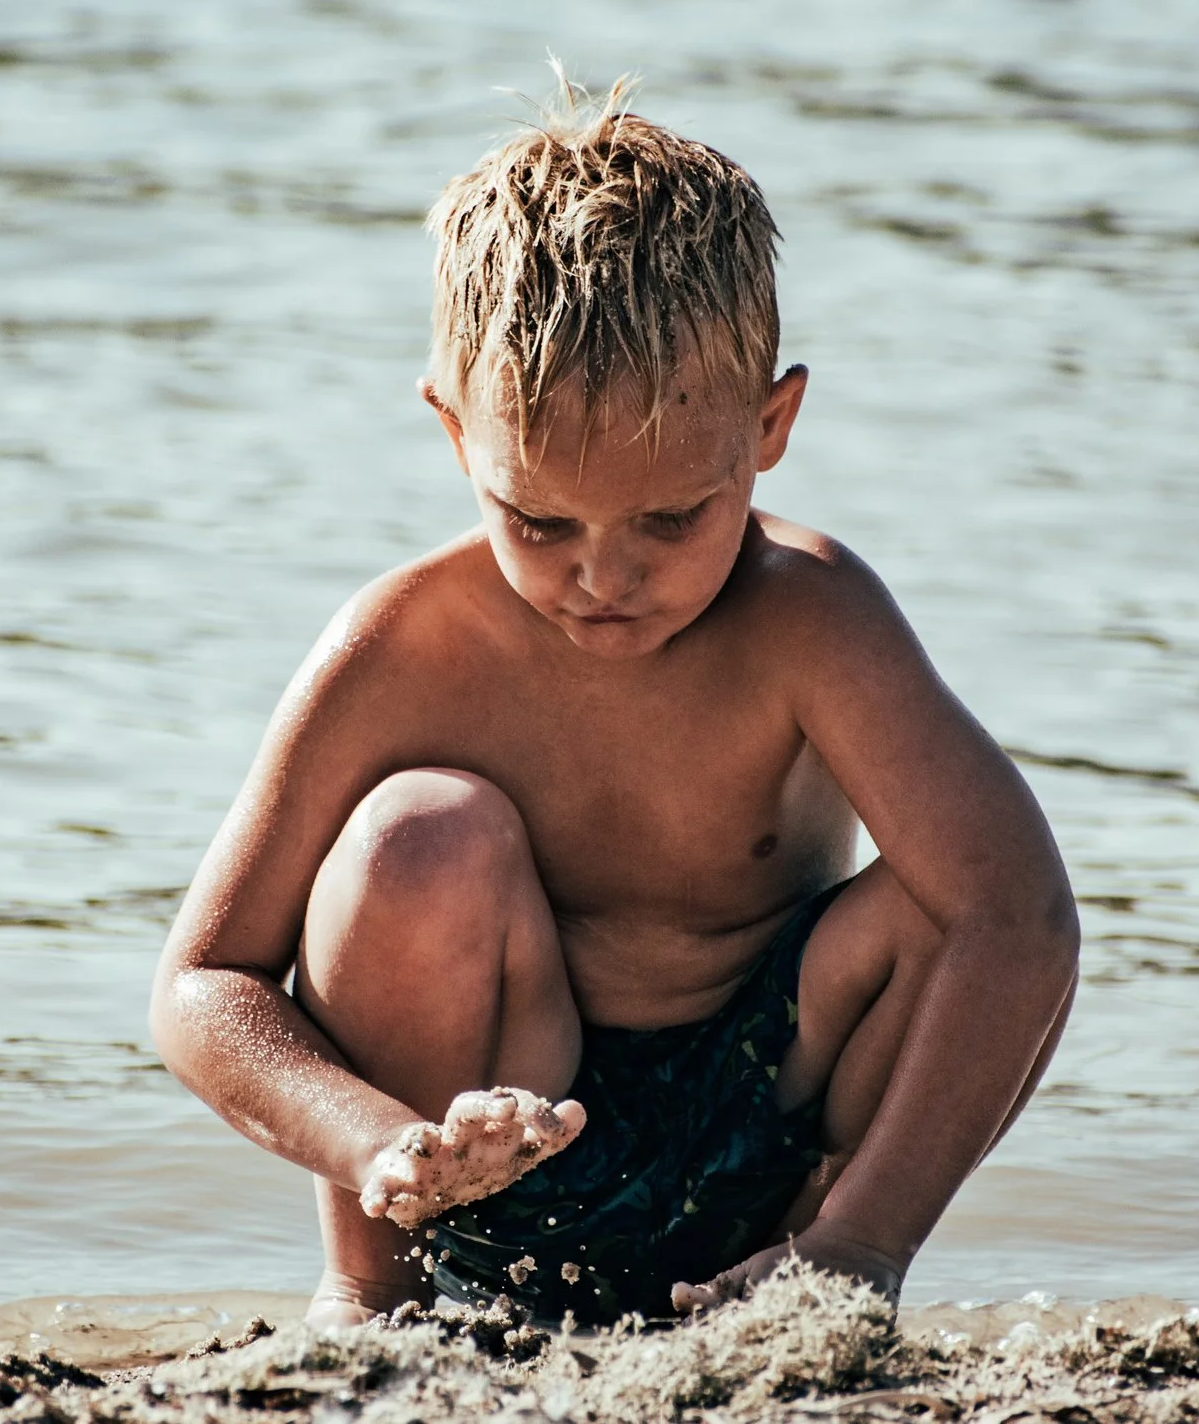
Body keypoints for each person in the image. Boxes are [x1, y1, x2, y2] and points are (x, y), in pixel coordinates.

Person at [150, 77, 1079, 1330]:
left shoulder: (811, 619)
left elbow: (1018, 914)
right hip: (484, 1146)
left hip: (771, 1136)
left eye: (670, 518)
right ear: (454, 435)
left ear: (770, 426)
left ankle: (829, 1263)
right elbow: (204, 981)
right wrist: (379, 1141)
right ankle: (377, 1295)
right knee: (416, 833)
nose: (604, 575)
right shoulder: (400, 643)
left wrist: (867, 1235)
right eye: (537, 519)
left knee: (960, 884)